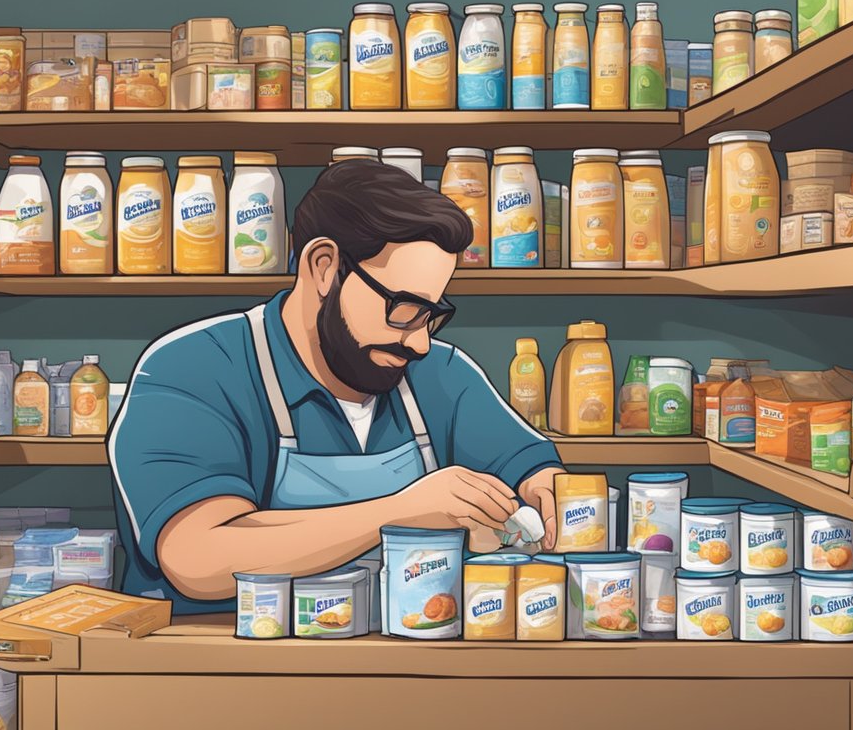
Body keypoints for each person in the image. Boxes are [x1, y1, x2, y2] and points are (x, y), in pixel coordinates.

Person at [110, 159, 566, 612]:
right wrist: (402, 512)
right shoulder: (196, 367)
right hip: (226, 666)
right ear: (324, 267)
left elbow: (531, 469)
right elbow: (197, 558)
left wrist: (543, 491)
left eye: (432, 314)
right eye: (404, 308)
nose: (422, 341)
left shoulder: (441, 376)